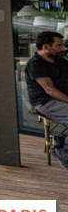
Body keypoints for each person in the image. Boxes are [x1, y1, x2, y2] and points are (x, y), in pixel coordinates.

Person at [25, 31, 68, 169]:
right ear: (46, 47)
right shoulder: (36, 64)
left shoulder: (59, 61)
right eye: (59, 45)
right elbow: (50, 90)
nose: (63, 49)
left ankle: (61, 141)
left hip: (62, 98)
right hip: (47, 102)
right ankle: (62, 151)